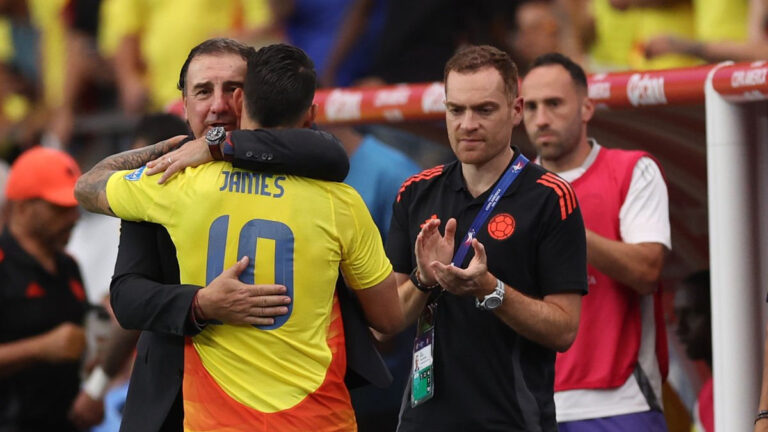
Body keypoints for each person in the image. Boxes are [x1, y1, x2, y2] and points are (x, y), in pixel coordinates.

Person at [77, 42, 404, 431]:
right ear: (182, 105)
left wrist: (216, 146)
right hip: (175, 401)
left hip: (277, 403)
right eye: (202, 91)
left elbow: (330, 151)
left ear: (247, 97)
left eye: (231, 89)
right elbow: (128, 299)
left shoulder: (177, 184)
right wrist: (200, 303)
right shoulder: (165, 176)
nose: (218, 105)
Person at [386, 44, 587, 431]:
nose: (467, 124)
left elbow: (564, 330)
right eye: (455, 110)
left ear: (515, 111)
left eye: (484, 110)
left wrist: (490, 289)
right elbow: (386, 323)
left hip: (510, 420)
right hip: (422, 421)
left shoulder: (550, 198)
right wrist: (423, 279)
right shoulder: (415, 192)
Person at [521, 52, 671, 431]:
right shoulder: (510, 187)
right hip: (531, 404)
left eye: (554, 104)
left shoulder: (634, 169)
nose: (541, 118)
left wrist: (565, 226)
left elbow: (647, 270)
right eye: (531, 106)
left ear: (587, 107)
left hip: (621, 400)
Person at [0, 147, 87, 431]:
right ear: (22, 207)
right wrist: (40, 348)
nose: (73, 217)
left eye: (73, 206)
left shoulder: (69, 266)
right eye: (59, 207)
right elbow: (52, 346)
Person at [673, 270, 712, 432]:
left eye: (691, 314)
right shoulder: (704, 401)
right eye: (677, 316)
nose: (680, 328)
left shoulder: (757, 388)